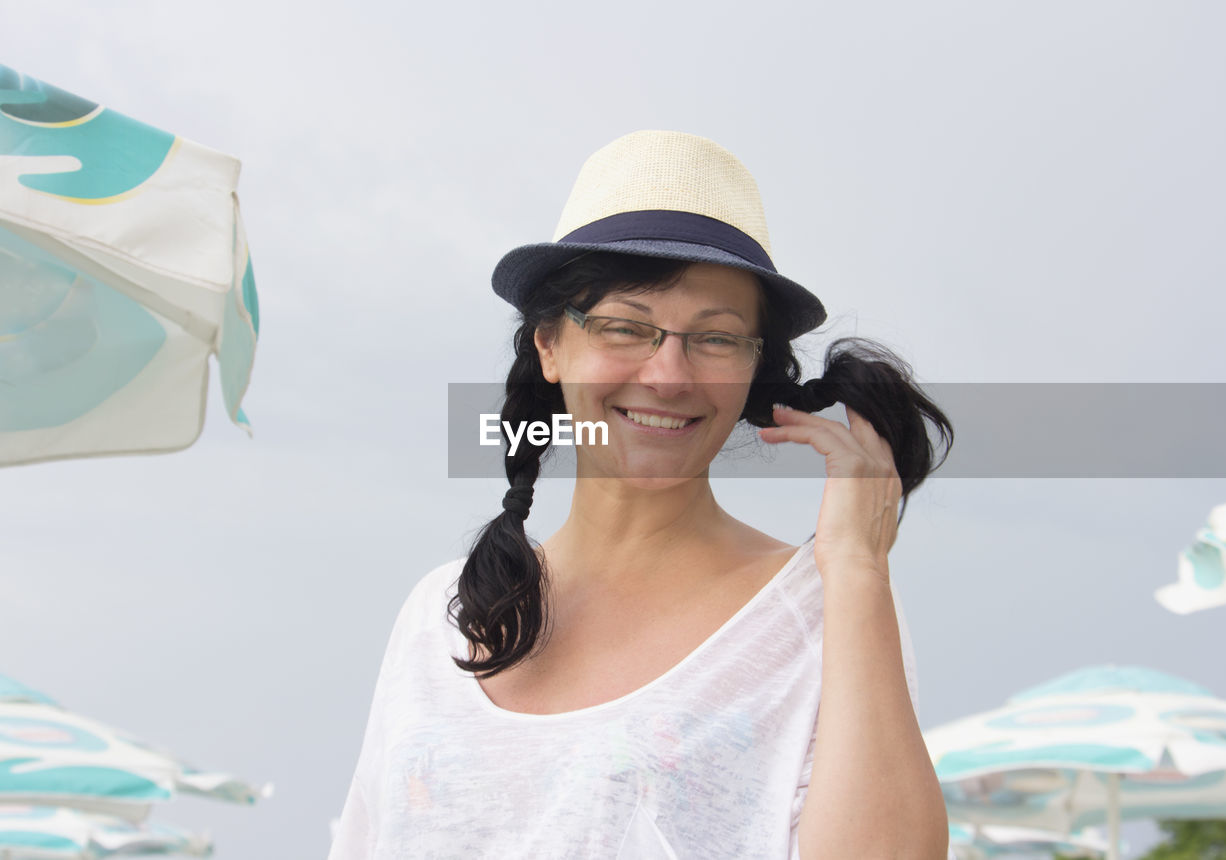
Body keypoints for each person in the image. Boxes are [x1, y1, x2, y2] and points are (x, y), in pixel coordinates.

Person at [329, 130, 954, 859]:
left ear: (756, 370)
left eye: (716, 339)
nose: (668, 374)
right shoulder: (438, 616)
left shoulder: (824, 609)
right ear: (549, 346)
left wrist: (856, 564)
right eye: (625, 327)